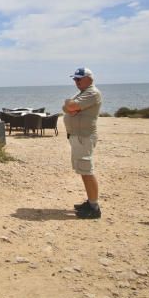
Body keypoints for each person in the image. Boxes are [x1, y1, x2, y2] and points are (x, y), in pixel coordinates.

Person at [62, 67, 103, 219]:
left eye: (79, 79)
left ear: (89, 79)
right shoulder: (83, 93)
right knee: (83, 170)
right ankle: (90, 202)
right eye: (75, 79)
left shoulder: (92, 93)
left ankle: (94, 207)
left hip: (84, 137)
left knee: (87, 170)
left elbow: (70, 106)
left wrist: (70, 105)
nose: (76, 82)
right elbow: (66, 107)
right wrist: (70, 106)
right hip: (78, 137)